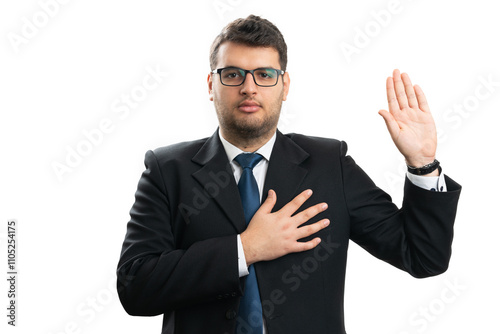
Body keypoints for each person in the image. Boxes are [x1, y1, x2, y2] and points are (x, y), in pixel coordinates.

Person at [116, 15, 461, 334]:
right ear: (211, 84)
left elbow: (423, 257)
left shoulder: (330, 164)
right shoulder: (167, 169)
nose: (249, 88)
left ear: (285, 86)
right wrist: (245, 248)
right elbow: (135, 286)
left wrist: (423, 164)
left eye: (265, 75)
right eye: (233, 74)